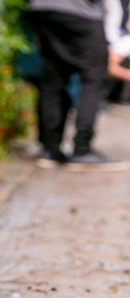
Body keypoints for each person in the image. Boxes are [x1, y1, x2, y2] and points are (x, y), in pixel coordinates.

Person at [26, 0, 130, 171]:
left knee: (53, 79)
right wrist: (111, 39)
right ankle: (82, 150)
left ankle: (49, 149)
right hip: (81, 13)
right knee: (93, 80)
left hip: (42, 11)